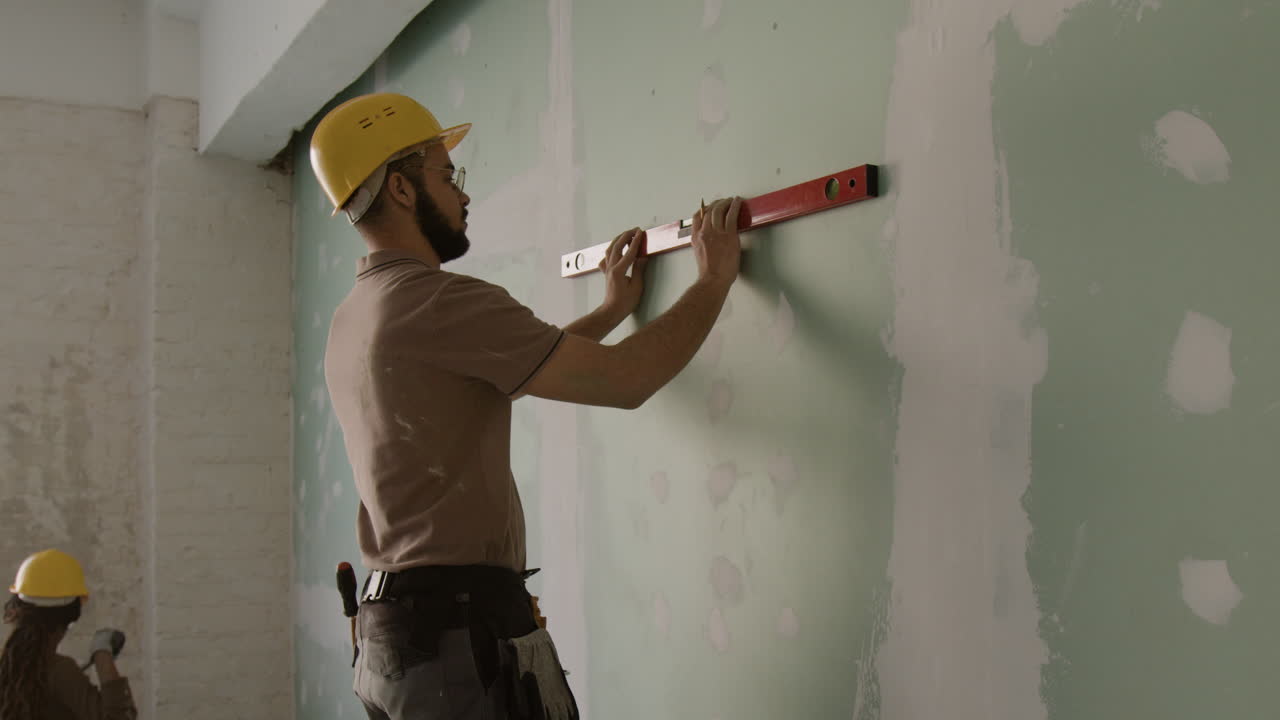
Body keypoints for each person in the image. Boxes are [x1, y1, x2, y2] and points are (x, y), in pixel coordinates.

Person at [311, 92, 743, 719]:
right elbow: (627, 381)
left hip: (391, 643)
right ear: (403, 191)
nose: (462, 195)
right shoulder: (439, 302)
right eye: (446, 174)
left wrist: (613, 311)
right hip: (455, 635)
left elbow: (507, 366)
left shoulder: (357, 315)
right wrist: (714, 280)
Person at [0, 549, 136, 720]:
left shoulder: (9, 669)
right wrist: (102, 654)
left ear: (15, 610)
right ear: (69, 618)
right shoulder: (60, 672)